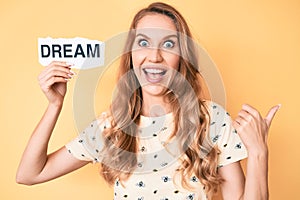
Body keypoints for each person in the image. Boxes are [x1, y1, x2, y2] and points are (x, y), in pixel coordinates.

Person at [16, 2, 280, 200]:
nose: (154, 56)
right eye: (143, 42)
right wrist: (55, 105)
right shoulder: (111, 128)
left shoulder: (211, 121)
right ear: (131, 55)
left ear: (182, 58)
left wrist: (258, 153)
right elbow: (29, 174)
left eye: (168, 45)